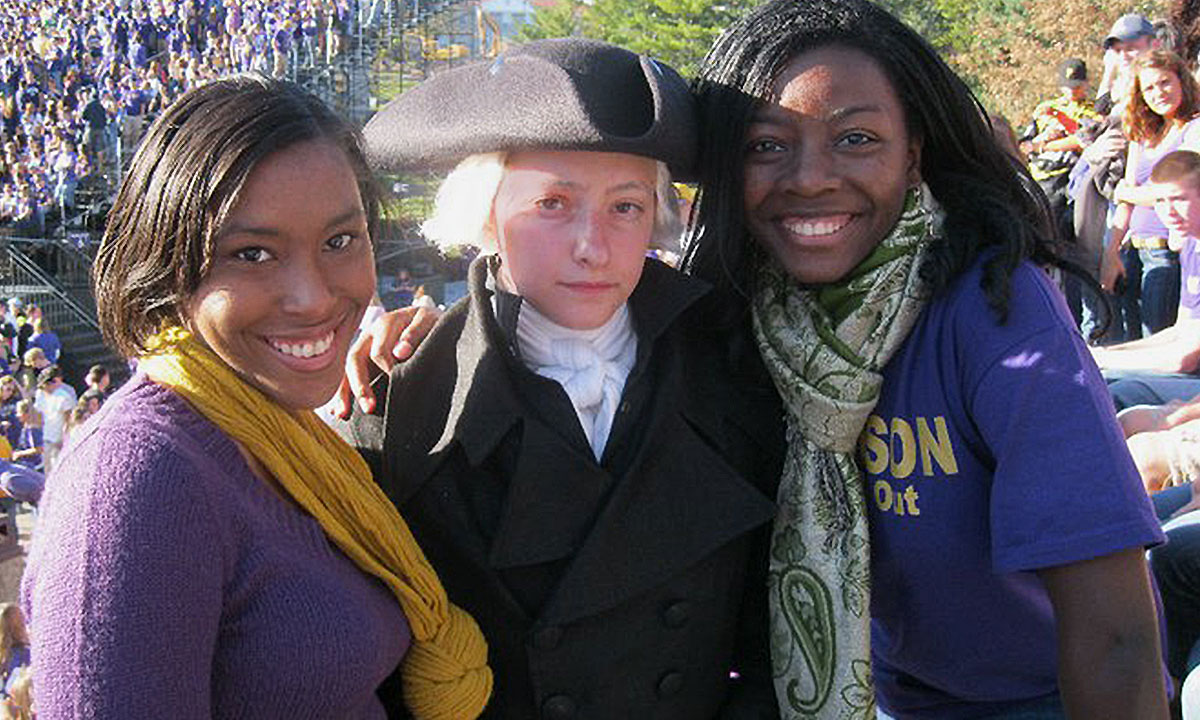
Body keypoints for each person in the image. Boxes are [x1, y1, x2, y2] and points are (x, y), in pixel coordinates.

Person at [686, 0, 1168, 717]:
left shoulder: (994, 304)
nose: (810, 177)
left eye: (856, 138)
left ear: (913, 153)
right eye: (766, 145)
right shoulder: (736, 321)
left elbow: (1118, 640)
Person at [21, 75, 491, 719]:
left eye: (339, 241)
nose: (316, 297)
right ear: (169, 266)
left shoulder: (281, 428)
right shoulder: (132, 483)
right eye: (253, 253)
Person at [341, 38, 782, 718]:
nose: (592, 245)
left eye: (625, 207)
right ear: (485, 214)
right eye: (553, 203)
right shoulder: (396, 402)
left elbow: (766, 639)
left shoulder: (735, 364)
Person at [1102, 51, 1200, 339]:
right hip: (1133, 251)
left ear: (1181, 81)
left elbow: (1178, 191)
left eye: (1165, 83)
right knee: (1132, 336)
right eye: (1149, 88)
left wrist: (1129, 192)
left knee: (1157, 338)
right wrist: (1111, 251)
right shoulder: (1144, 134)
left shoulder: (1194, 128)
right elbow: (1124, 198)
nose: (1159, 93)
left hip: (1167, 254)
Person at [1095, 150, 1200, 379]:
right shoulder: (1191, 246)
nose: (1169, 212)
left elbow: (1185, 358)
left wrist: (1101, 360)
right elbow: (1181, 332)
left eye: (1179, 199)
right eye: (1160, 201)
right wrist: (1101, 352)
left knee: (1112, 390)